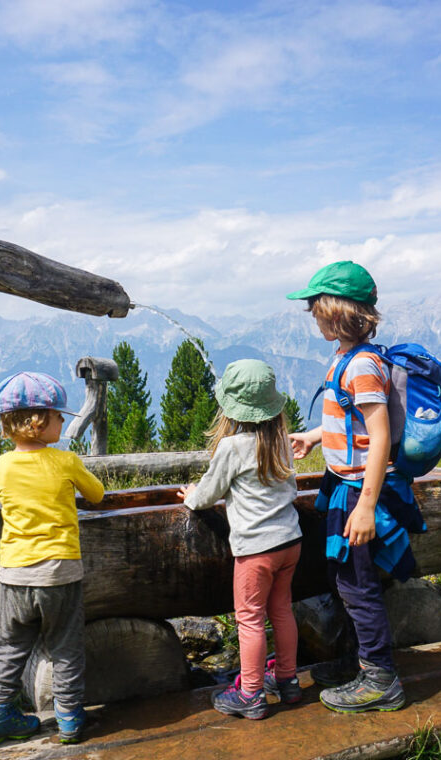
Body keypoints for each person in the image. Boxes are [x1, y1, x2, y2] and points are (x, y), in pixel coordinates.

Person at [286, 260, 424, 714]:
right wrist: (313, 437)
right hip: (343, 485)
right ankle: (357, 662)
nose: (313, 318)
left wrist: (366, 507)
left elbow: (379, 438)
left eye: (317, 310)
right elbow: (353, 422)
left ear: (338, 312)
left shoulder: (362, 364)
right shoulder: (345, 357)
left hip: (359, 492)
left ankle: (380, 679)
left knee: (358, 585)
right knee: (343, 579)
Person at [0, 371, 105, 746]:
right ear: (36, 421)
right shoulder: (66, 462)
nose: (63, 421)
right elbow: (97, 494)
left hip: (14, 574)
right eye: (57, 415)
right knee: (65, 648)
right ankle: (69, 718)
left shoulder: (1, 465)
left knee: (7, 646)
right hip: (58, 573)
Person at [177, 359, 303, 720]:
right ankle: (288, 680)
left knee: (249, 618)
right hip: (290, 542)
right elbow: (292, 488)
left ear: (231, 410)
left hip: (256, 550)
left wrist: (190, 496)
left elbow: (207, 495)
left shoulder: (232, 447)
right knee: (282, 610)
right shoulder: (281, 442)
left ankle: (250, 693)